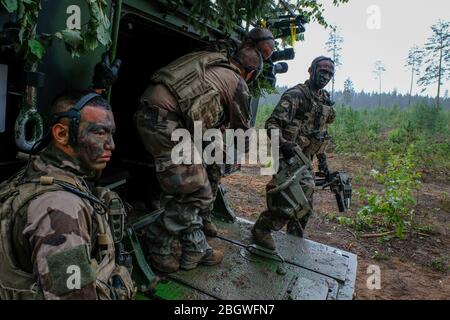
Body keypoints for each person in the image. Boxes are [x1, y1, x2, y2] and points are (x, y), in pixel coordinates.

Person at [134, 47, 263, 273]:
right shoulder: (238, 82)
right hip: (167, 123)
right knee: (198, 191)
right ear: (250, 74)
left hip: (150, 115)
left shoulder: (209, 61)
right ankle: (157, 240)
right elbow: (241, 132)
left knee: (190, 186)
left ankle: (196, 247)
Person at [0, 91, 135, 299]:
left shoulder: (39, 169)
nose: (111, 145)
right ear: (61, 134)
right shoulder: (61, 212)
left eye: (111, 133)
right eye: (99, 133)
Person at [251, 56, 336, 250]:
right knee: (291, 201)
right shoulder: (297, 95)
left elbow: (320, 135)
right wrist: (284, 144)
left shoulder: (323, 101)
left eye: (330, 73)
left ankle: (293, 243)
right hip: (286, 156)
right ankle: (262, 229)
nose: (325, 76)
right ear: (311, 70)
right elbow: (272, 124)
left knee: (305, 208)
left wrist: (323, 163)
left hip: (305, 160)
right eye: (322, 71)